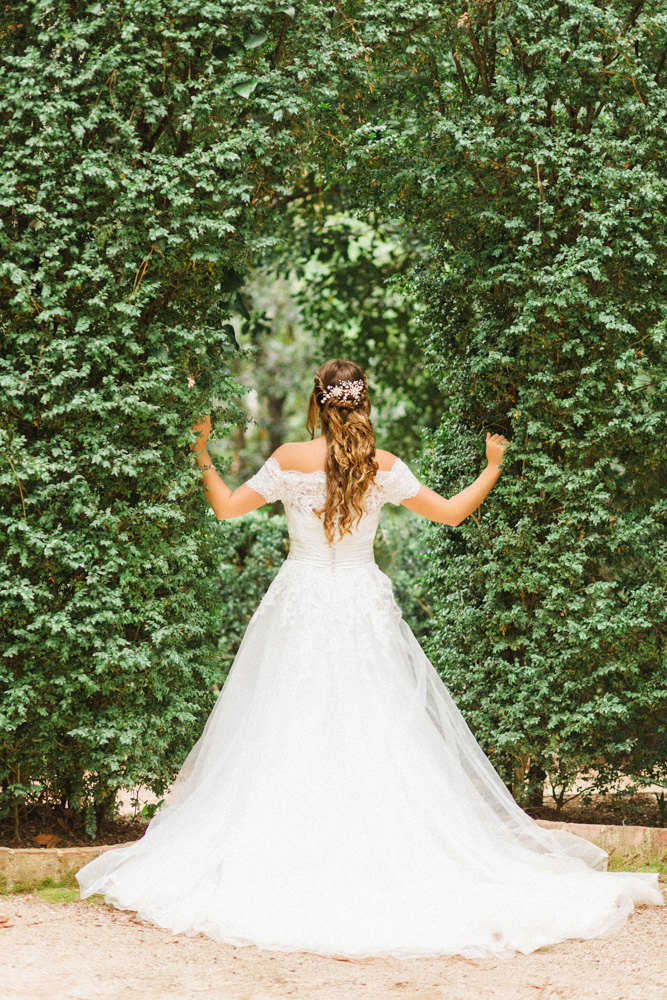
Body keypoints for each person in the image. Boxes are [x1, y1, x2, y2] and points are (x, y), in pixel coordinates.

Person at [76, 358, 662, 959]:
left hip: (301, 602)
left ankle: (290, 853)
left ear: (317, 402)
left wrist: (202, 453)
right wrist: (492, 468)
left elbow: (225, 508)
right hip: (360, 602)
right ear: (361, 404)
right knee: (375, 721)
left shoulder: (288, 459)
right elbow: (454, 512)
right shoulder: (383, 467)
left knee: (289, 719)